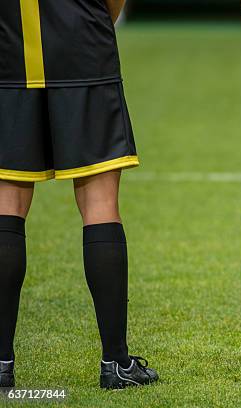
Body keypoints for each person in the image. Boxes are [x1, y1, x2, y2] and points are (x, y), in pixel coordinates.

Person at [0, 0, 158, 389]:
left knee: (6, 205)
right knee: (100, 204)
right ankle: (116, 363)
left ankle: (1, 362)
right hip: (83, 48)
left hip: (9, 54)